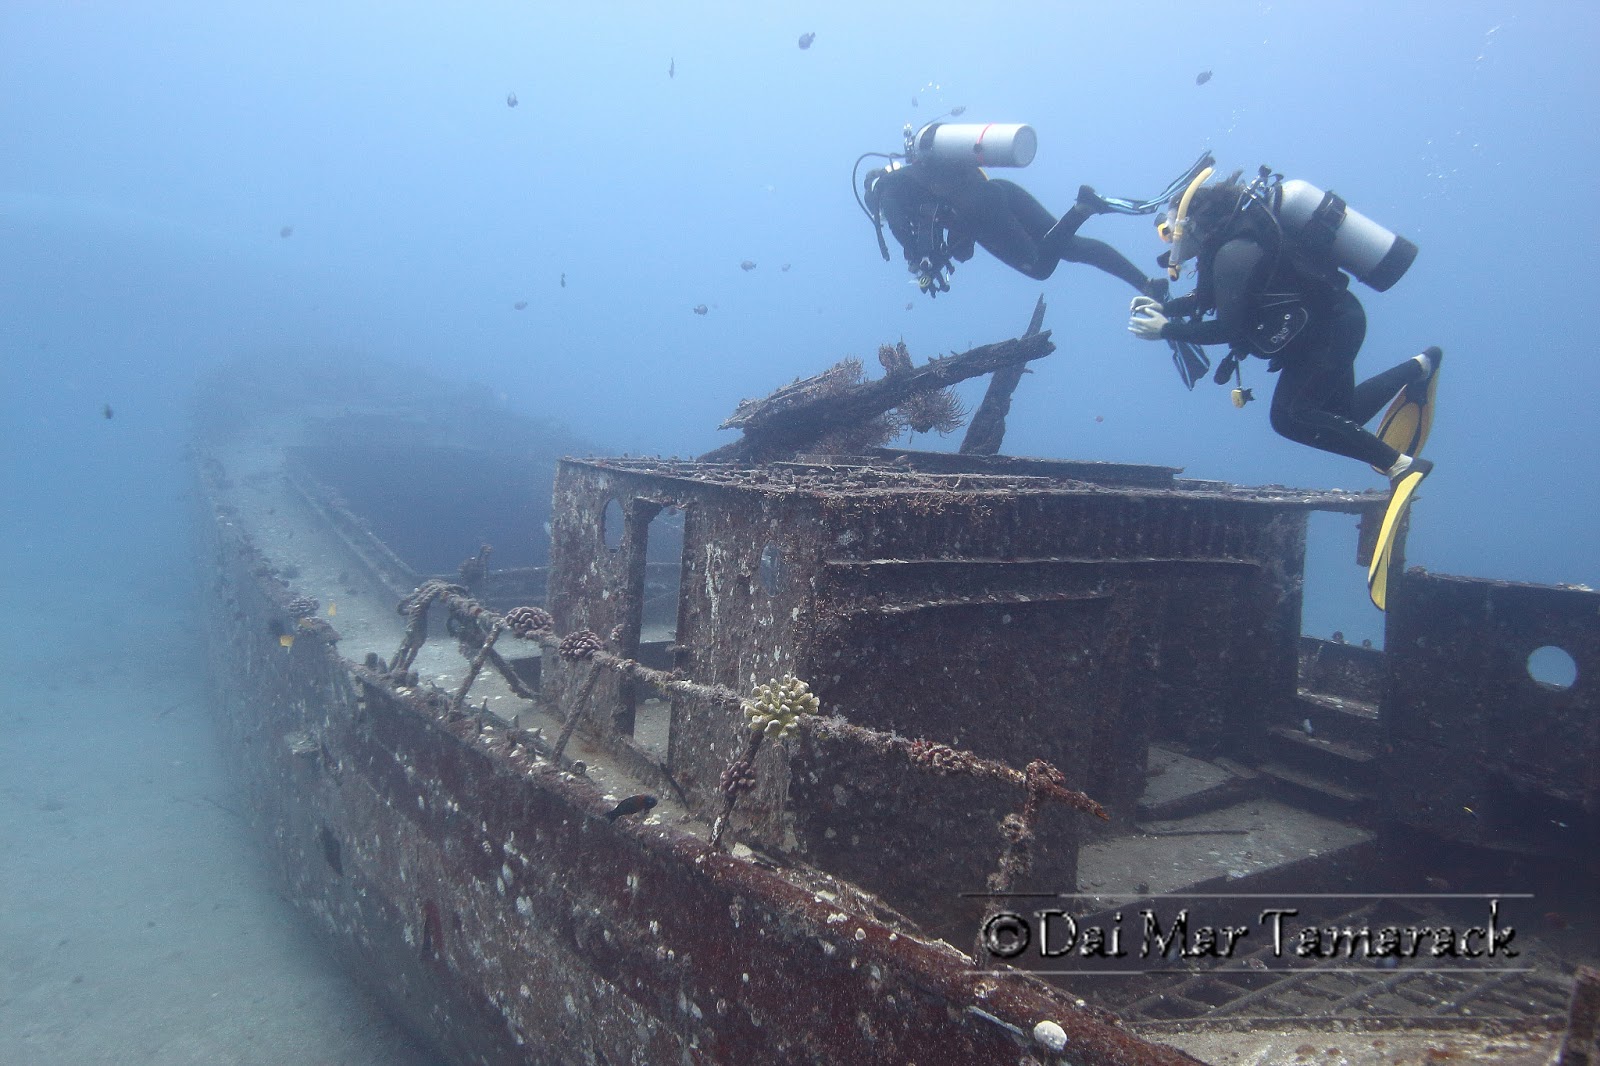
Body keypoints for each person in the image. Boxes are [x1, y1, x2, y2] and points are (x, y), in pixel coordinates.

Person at [1126, 169, 1441, 489]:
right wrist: (1165, 309)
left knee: (1292, 417)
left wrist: (1166, 330)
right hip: (1329, 321)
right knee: (1339, 418)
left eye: (1167, 232)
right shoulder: (1229, 244)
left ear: (1189, 225)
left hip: (1328, 330)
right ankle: (1420, 366)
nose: (1168, 244)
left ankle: (1401, 466)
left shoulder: (1234, 251)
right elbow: (1207, 298)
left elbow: (1229, 330)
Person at [863, 156, 1195, 301]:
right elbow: (962, 243)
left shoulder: (887, 191)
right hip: (998, 191)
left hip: (978, 209)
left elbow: (900, 228)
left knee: (1039, 268)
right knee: (1071, 248)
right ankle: (1145, 283)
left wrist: (916, 256)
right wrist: (950, 251)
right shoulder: (927, 179)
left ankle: (1082, 209)